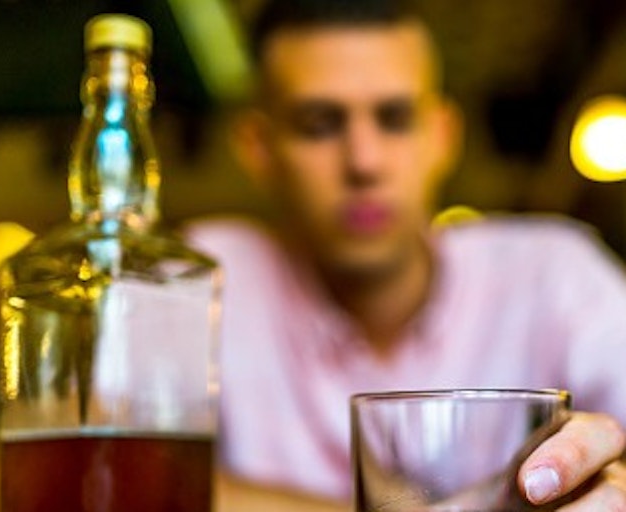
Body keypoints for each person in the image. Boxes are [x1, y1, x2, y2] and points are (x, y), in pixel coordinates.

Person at [186, 0, 626, 509]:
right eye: (319, 124)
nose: (364, 163)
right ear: (258, 148)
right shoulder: (201, 279)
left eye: (394, 119)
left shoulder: (555, 273)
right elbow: (124, 482)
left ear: (442, 137)